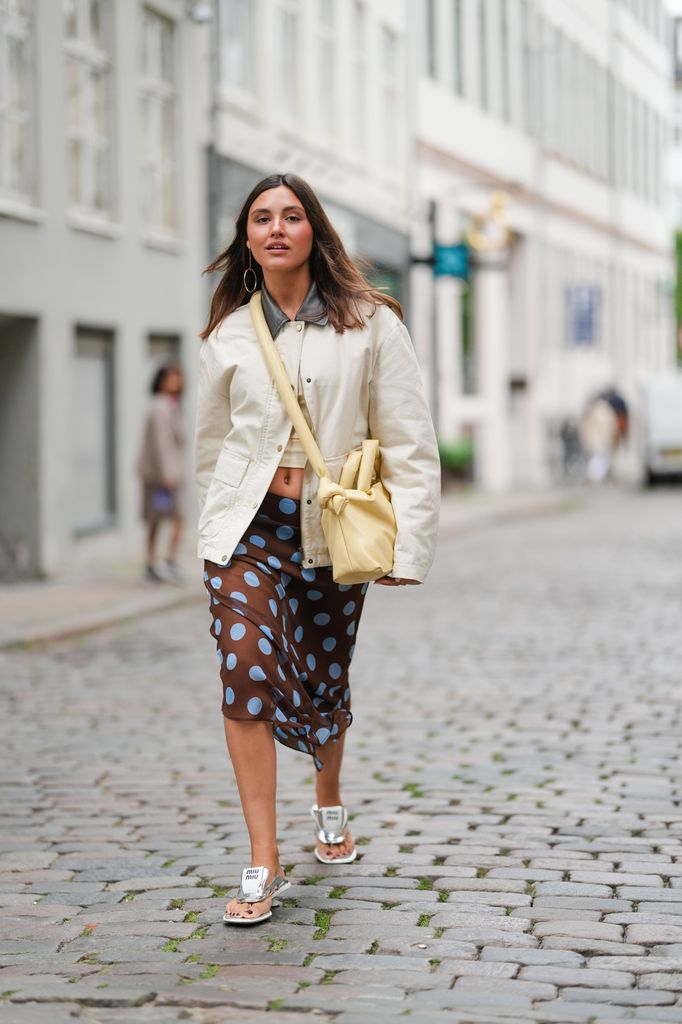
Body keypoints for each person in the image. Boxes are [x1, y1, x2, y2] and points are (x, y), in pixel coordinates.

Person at [195, 172, 441, 925]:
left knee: (325, 676)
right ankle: (263, 860)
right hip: (248, 534)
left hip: (332, 532)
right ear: (247, 238)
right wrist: (211, 531)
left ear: (314, 231)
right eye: (261, 218)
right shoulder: (231, 333)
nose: (276, 228)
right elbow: (212, 448)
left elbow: (409, 440)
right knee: (246, 669)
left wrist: (409, 546)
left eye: (291, 216)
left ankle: (327, 798)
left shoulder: (370, 323)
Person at [138, 364, 185, 582]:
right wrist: (167, 474)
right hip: (161, 476)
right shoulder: (160, 406)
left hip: (167, 474)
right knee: (160, 519)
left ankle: (162, 561)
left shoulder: (173, 405)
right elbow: (161, 443)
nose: (177, 382)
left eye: (179, 377)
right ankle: (159, 562)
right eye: (172, 378)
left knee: (167, 519)